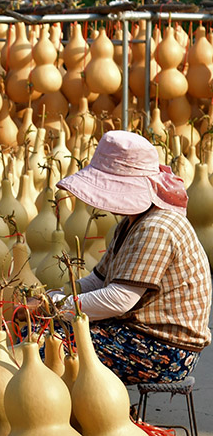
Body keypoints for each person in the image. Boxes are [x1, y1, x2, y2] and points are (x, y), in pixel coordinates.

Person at [44, 130, 210, 384]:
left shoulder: (156, 227)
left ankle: (79, 416)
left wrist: (55, 307)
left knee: (46, 343)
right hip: (136, 332)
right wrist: (55, 296)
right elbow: (98, 281)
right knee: (46, 331)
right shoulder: (131, 224)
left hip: (165, 351)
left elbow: (119, 300)